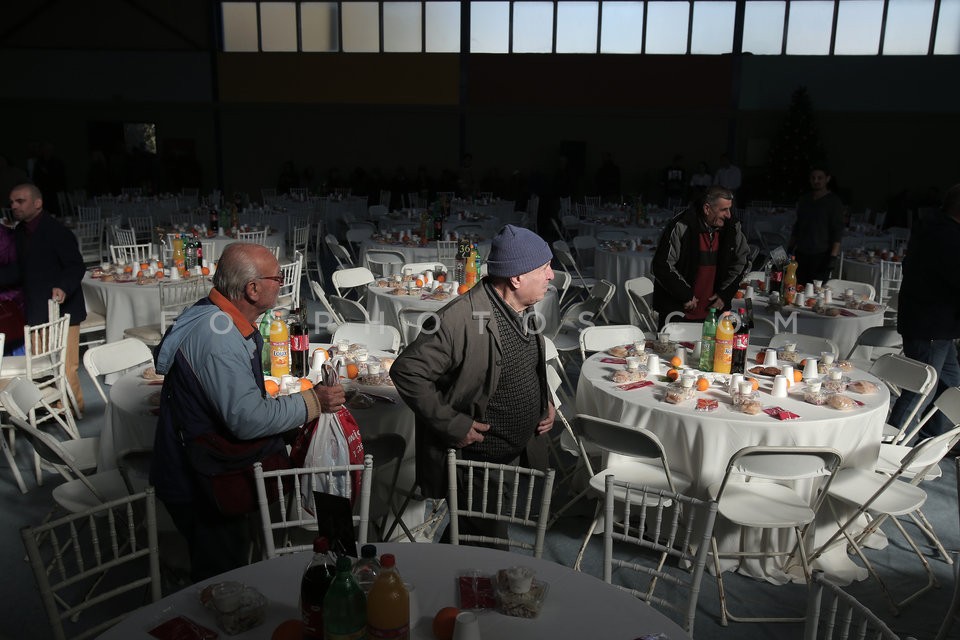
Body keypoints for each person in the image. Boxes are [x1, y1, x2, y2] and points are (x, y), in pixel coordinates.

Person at [149, 242, 346, 581]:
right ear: (252, 289)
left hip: (202, 469)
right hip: (199, 481)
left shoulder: (215, 315)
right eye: (277, 277)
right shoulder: (218, 337)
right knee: (221, 581)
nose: (282, 282)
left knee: (231, 563)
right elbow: (247, 419)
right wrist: (314, 402)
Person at [390, 224, 556, 542]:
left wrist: (544, 399)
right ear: (517, 277)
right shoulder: (458, 320)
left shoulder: (525, 308)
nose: (551, 275)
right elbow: (407, 371)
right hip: (479, 465)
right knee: (488, 552)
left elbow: (529, 362)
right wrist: (452, 423)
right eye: (544, 268)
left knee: (466, 537)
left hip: (512, 455)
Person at [888, 183, 960, 440]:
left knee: (950, 383)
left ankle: (932, 437)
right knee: (921, 388)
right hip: (931, 323)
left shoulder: (932, 227)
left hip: (935, 323)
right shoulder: (947, 236)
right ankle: (894, 442)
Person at [4, 183, 86, 410]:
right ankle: (49, 409)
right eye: (11, 202)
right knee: (41, 367)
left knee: (66, 367)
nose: (14, 206)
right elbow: (20, 269)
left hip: (64, 309)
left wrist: (63, 286)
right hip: (36, 309)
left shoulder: (57, 231)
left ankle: (73, 409)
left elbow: (76, 266)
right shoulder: (20, 232)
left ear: (37, 203)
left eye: (20, 201)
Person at [651, 186, 750, 325]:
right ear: (707, 208)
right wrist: (685, 294)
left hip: (715, 313)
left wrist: (725, 295)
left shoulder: (732, 227)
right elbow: (661, 265)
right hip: (678, 311)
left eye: (729, 209)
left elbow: (743, 261)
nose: (728, 215)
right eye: (723, 210)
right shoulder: (681, 225)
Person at [789, 166, 844, 284]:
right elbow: (798, 226)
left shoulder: (834, 202)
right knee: (796, 288)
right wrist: (790, 248)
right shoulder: (804, 200)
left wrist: (832, 258)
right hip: (801, 253)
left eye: (820, 178)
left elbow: (837, 231)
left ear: (827, 179)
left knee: (814, 292)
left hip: (821, 255)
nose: (816, 181)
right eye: (813, 178)